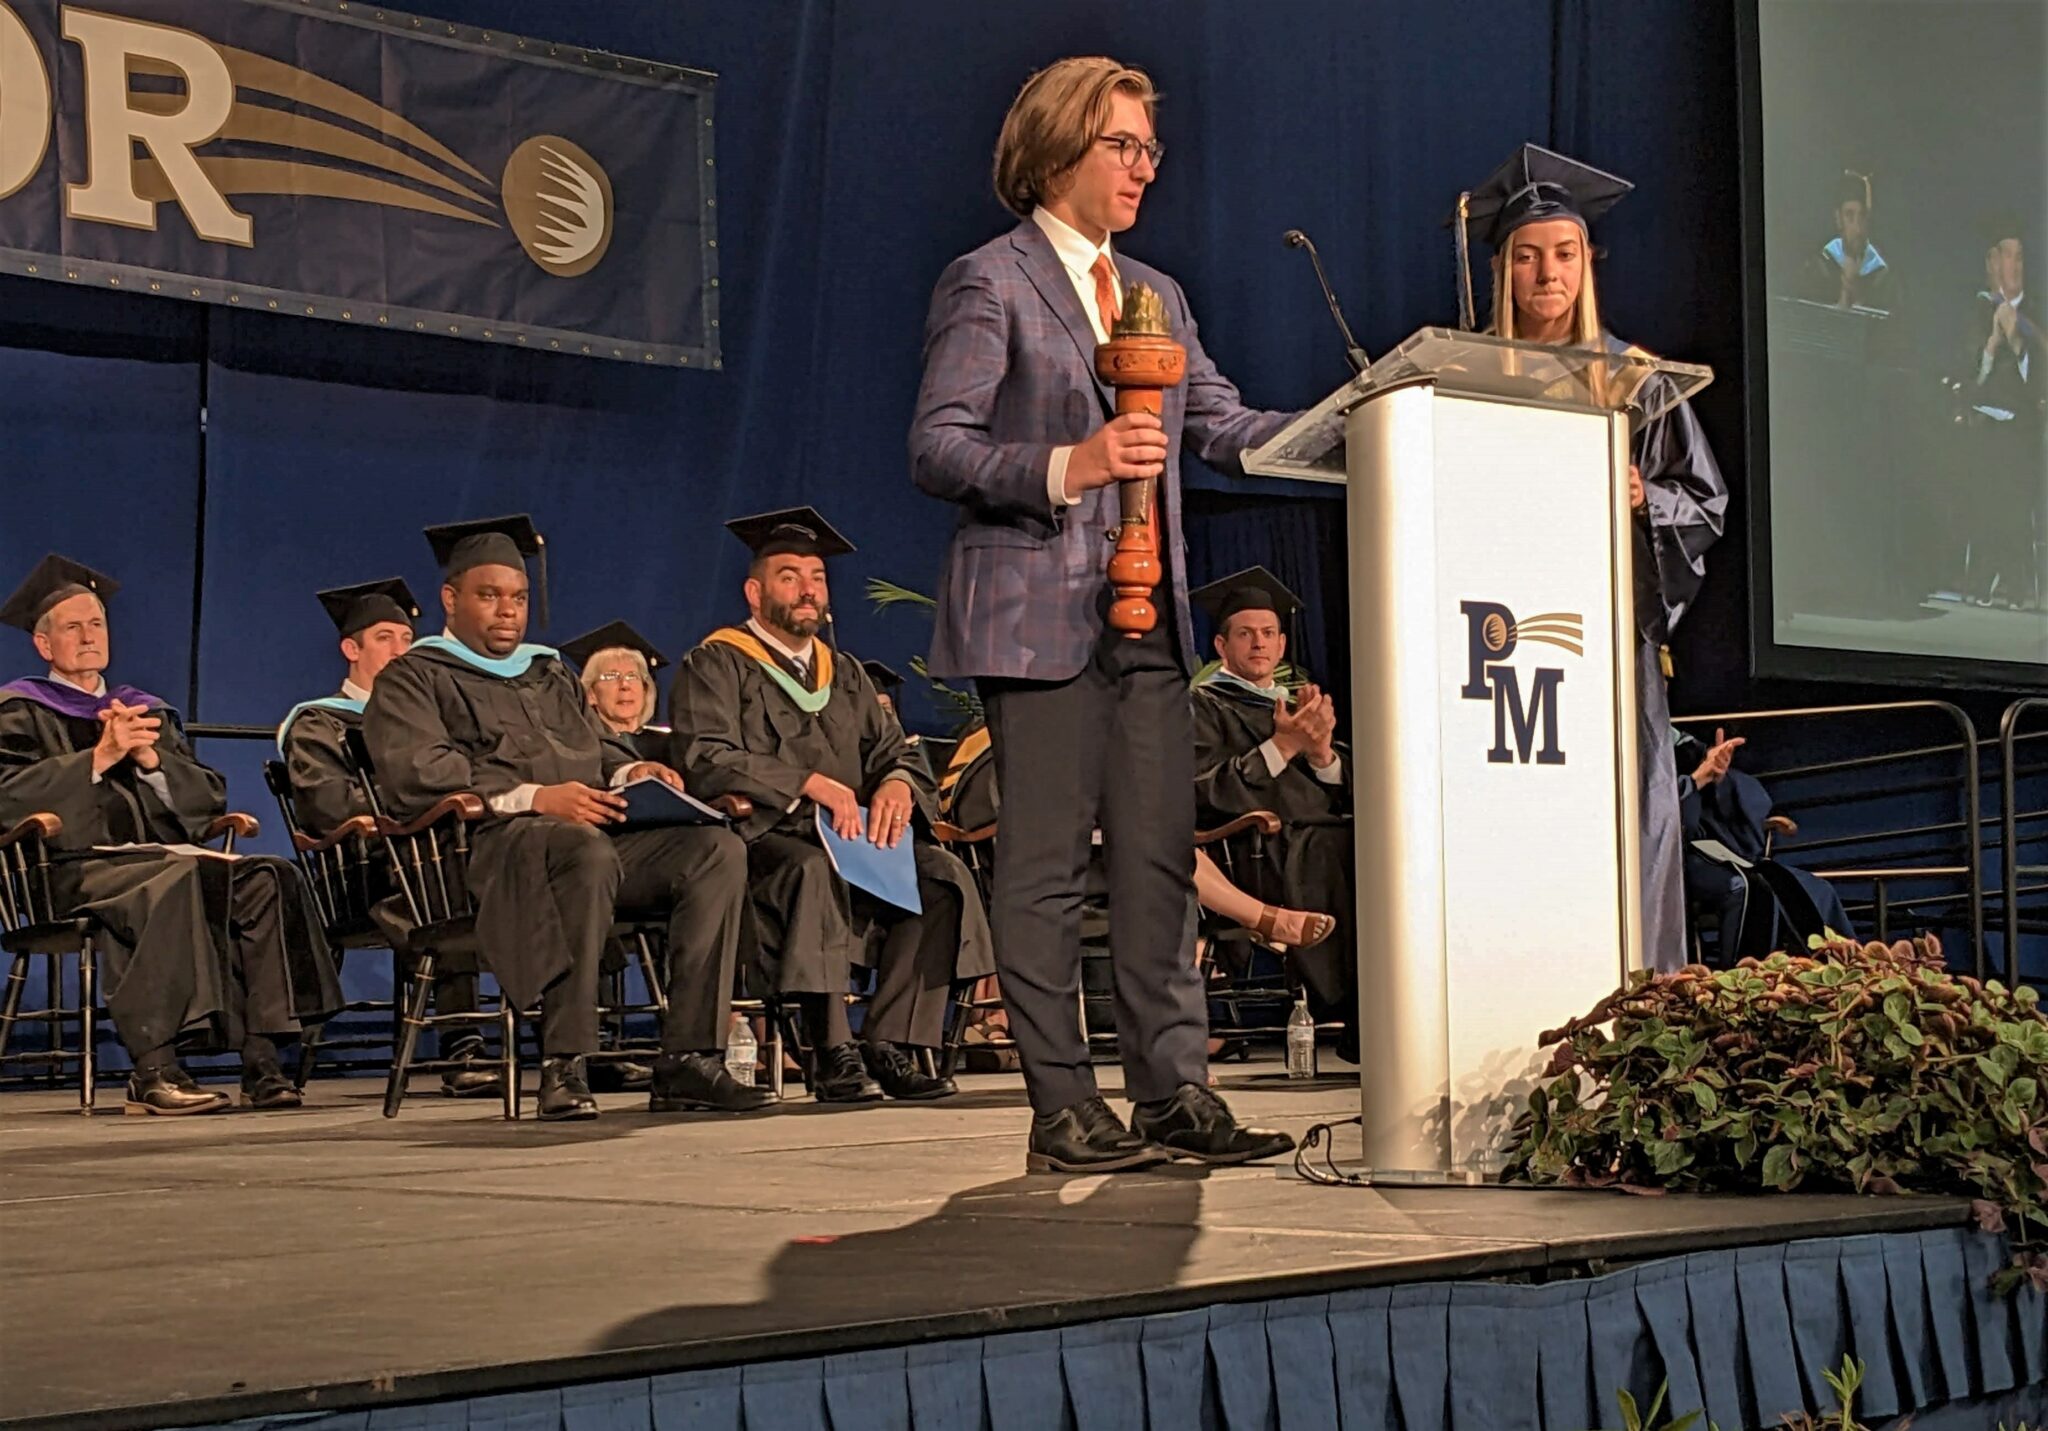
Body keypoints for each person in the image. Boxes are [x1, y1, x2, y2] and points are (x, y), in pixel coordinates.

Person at [908, 54, 1299, 1172]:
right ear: (1055, 148)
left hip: (1148, 626)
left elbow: (1217, 424)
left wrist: (1353, 425)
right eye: (1121, 146)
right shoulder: (989, 281)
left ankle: (1173, 1095)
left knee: (1157, 864)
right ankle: (1062, 1106)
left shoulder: (1156, 298)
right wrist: (1068, 462)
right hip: (1034, 618)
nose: (1143, 168)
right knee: (1041, 870)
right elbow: (936, 446)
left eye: (1148, 150)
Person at [363, 515, 767, 1119]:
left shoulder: (547, 671)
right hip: (486, 854)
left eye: (519, 598)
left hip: (584, 842)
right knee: (584, 849)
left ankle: (689, 1057)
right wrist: (534, 797)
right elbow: (419, 772)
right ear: (451, 599)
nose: (508, 611)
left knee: (717, 851)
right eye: (490, 596)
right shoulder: (414, 677)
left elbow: (597, 748)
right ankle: (565, 1061)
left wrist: (635, 773)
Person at [1457, 143, 1729, 974]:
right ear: (1502, 268)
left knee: (1621, 815)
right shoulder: (1461, 374)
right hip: (1496, 646)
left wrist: (1647, 500)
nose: (1548, 275)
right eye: (1529, 256)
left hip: (1604, 641)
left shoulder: (1635, 379)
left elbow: (1705, 502)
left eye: (1565, 255)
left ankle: (1639, 999)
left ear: (1587, 264)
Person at [668, 508, 995, 1103]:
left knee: (942, 879)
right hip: (767, 840)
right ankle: (828, 1050)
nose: (807, 589)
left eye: (816, 577)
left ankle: (888, 1041)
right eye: (789, 576)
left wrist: (896, 781)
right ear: (755, 590)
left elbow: (894, 750)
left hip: (853, 840)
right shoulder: (716, 663)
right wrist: (806, 783)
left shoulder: (842, 672)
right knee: (811, 869)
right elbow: (706, 756)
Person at [0, 555, 341, 1113]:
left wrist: (151, 758)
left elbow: (207, 798)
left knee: (269, 877)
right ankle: (154, 1066)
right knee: (177, 879)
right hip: (67, 870)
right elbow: (7, 794)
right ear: (44, 645)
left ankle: (263, 1062)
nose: (89, 637)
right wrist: (97, 758)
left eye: (97, 624)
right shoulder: (19, 711)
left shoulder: (144, 710)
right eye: (72, 627)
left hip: (160, 860)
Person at [278, 577, 501, 1098]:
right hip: (365, 868)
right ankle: (463, 1044)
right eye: (385, 637)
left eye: (407, 637)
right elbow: (326, 805)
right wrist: (410, 809)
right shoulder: (317, 723)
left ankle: (579, 1039)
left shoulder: (433, 723)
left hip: (443, 856)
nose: (402, 649)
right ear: (350, 649)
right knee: (447, 874)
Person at [1187, 567, 1357, 1056]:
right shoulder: (1203, 705)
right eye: (1245, 634)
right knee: (1341, 850)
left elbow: (1340, 790)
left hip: (1317, 836)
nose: (1257, 644)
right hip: (1257, 852)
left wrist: (1322, 752)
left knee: (1383, 845)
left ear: (1282, 646)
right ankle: (1355, 1012)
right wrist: (1281, 746)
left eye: (1267, 634)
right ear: (1222, 646)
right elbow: (1203, 793)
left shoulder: (1300, 705)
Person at [1675, 726, 1854, 960]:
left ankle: (1842, 968)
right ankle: (1744, 977)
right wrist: (1697, 780)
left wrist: (1719, 777)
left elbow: (1725, 797)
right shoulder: (1634, 745)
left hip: (1718, 850)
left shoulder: (1685, 745)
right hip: (1675, 860)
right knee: (1744, 888)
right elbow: (1652, 807)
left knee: (1814, 888)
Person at [1954, 213, 2042, 608]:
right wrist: (1993, 339)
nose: (2015, 266)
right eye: (2008, 257)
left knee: (2013, 496)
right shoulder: (1975, 310)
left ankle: (2016, 583)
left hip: (2020, 426)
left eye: (2020, 257)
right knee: (1983, 496)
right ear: (1992, 262)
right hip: (1983, 422)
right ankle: (1980, 580)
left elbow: (2037, 374)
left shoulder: (2035, 316)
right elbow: (1971, 370)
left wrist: (2017, 341)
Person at [562, 620, 673, 763]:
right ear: (591, 694)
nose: (625, 685)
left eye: (632, 676)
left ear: (645, 690)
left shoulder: (670, 747)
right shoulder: (577, 749)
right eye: (611, 676)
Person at [1801, 170, 1895, 312]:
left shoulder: (1884, 278)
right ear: (1838, 219)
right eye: (1849, 216)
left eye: (1862, 216)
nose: (1857, 228)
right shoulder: (1820, 267)